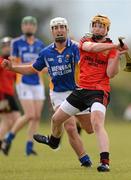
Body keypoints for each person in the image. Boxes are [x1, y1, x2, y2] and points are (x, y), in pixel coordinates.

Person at [32, 14, 128, 172]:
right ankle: (54, 141)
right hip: (81, 90)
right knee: (56, 119)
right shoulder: (85, 41)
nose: (97, 28)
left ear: (106, 29)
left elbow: (111, 73)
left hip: (99, 91)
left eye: (101, 26)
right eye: (95, 25)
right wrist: (114, 46)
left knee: (96, 123)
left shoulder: (111, 49)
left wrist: (117, 55)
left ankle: (105, 162)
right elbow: (91, 48)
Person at [1, 17, 92, 167]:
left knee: (89, 129)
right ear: (52, 31)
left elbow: (90, 57)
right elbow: (32, 68)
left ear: (67, 29)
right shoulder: (46, 52)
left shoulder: (76, 48)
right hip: (58, 94)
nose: (59, 30)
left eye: (62, 26)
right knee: (69, 127)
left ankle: (54, 141)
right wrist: (12, 68)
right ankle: (84, 160)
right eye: (56, 28)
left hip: (78, 91)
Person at [1, 16, 45, 156]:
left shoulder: (40, 44)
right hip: (23, 81)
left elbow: (44, 64)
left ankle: (29, 146)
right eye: (26, 24)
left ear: (35, 27)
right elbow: (13, 63)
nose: (28, 27)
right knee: (29, 114)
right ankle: (9, 137)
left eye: (31, 24)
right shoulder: (16, 43)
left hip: (38, 82)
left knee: (36, 116)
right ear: (22, 27)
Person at [0, 37, 20, 151]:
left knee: (14, 119)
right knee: (7, 120)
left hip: (9, 95)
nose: (7, 48)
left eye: (9, 46)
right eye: (5, 46)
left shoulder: (13, 64)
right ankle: (4, 142)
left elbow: (16, 79)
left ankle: (5, 141)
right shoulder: (2, 61)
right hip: (2, 94)